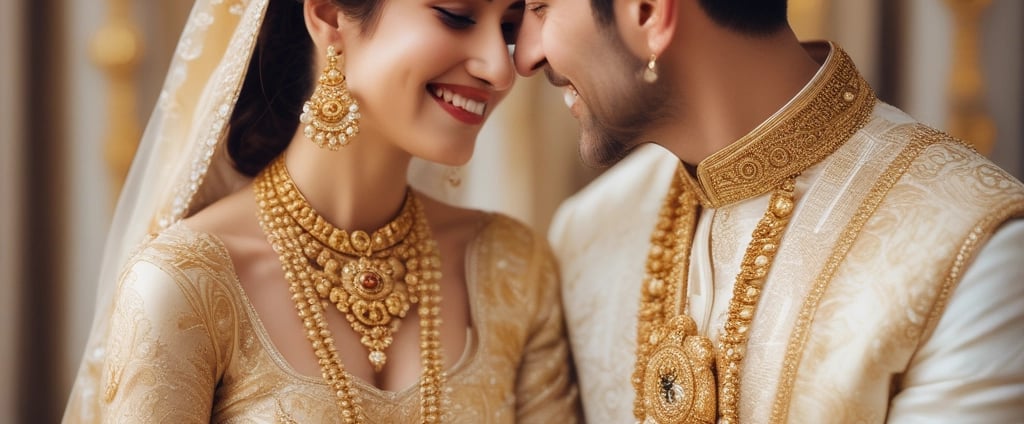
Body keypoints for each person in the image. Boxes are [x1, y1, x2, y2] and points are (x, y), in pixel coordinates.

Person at [63, 0, 580, 422]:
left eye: (509, 28)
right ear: (330, 17)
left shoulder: (511, 268)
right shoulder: (186, 286)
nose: (499, 69)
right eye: (456, 15)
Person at [513, 0, 1024, 422]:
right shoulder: (586, 234)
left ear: (648, 12)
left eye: (541, 8)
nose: (525, 57)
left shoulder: (974, 253)